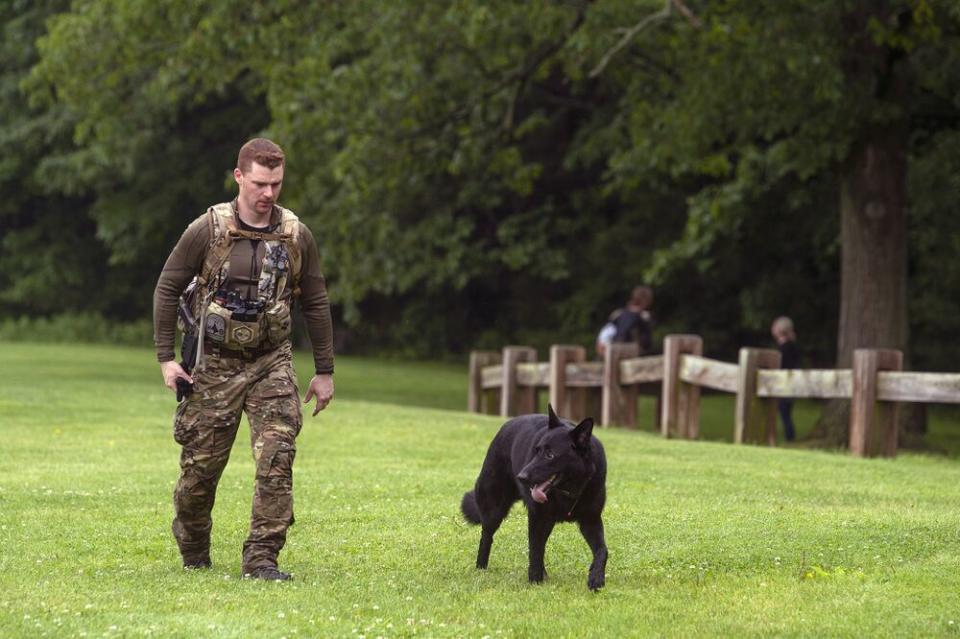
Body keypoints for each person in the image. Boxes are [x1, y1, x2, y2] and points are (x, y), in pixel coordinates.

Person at [153, 138, 334, 581]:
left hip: (272, 361)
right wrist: (166, 359)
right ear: (239, 177)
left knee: (277, 454)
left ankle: (262, 559)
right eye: (259, 183)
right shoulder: (207, 230)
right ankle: (194, 545)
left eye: (276, 183)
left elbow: (315, 301)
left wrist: (325, 371)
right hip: (214, 365)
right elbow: (167, 288)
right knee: (200, 474)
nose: (268, 193)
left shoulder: (296, 235)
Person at [771, 316, 799, 442]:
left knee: (784, 413)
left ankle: (790, 437)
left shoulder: (785, 348)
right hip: (789, 384)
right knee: (784, 413)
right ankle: (788, 436)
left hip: (785, 385)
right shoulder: (790, 346)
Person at [611, 285, 655, 355]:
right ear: (645, 300)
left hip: (614, 348)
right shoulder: (644, 316)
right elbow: (646, 341)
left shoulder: (618, 314)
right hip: (633, 350)